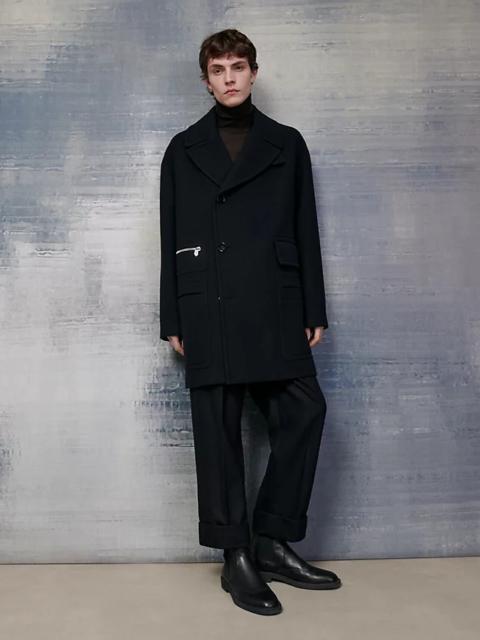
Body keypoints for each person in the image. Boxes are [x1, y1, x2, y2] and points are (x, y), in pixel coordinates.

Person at [159, 28, 342, 615]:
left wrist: (313, 307)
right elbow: (171, 236)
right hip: (207, 301)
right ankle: (235, 554)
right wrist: (172, 314)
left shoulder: (287, 144)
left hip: (275, 299)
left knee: (305, 410)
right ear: (206, 80)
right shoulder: (182, 149)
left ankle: (272, 540)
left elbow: (306, 227)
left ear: (254, 72)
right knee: (218, 431)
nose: (230, 78)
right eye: (218, 70)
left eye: (238, 66)